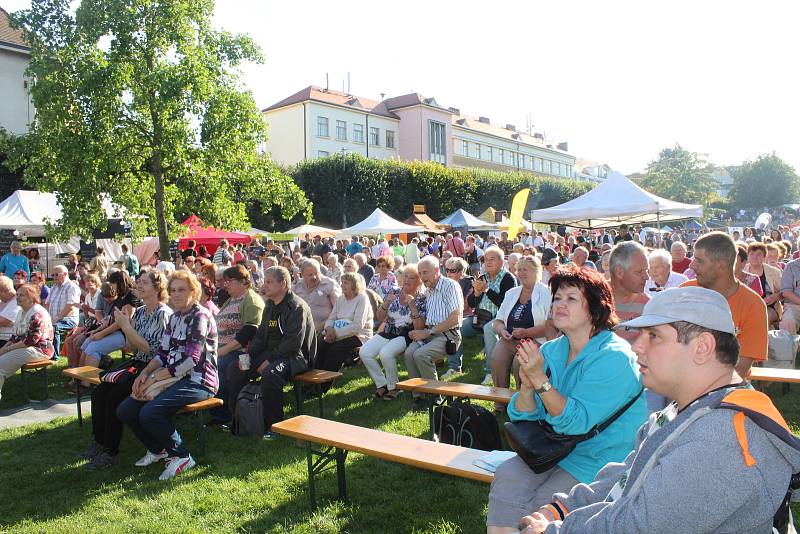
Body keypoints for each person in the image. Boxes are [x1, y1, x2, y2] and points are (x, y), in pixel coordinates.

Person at [517, 287, 800, 534]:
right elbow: (630, 474)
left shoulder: (719, 439)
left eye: (654, 335)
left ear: (702, 348)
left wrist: (555, 530)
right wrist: (561, 509)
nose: (637, 346)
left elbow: (638, 527)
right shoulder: (683, 410)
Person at [487, 268, 646, 533]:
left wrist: (540, 379)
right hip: (552, 450)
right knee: (508, 476)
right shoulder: (552, 349)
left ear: (596, 310)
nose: (559, 304)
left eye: (571, 299)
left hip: (600, 459)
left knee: (543, 505)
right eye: (557, 298)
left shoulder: (614, 357)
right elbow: (524, 417)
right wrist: (527, 387)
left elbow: (575, 423)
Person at [116, 270, 218, 480]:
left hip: (199, 382)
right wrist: (144, 374)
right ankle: (158, 449)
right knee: (126, 409)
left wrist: (157, 377)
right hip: (173, 378)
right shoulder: (175, 317)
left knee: (150, 412)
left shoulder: (200, 316)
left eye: (182, 289)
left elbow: (192, 359)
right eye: (173, 290)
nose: (177, 294)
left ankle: (181, 456)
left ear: (194, 291)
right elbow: (162, 353)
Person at [82, 270, 172, 469]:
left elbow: (152, 349)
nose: (139, 286)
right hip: (138, 362)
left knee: (114, 397)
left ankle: (109, 452)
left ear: (158, 288)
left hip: (155, 368)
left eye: (144, 283)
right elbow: (132, 348)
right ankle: (99, 442)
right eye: (138, 282)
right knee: (99, 392)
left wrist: (126, 327)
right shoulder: (140, 312)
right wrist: (128, 326)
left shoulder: (163, 313)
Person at [225, 266, 317, 440]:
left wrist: (270, 360)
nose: (264, 285)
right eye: (264, 281)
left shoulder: (296, 307)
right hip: (272, 353)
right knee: (234, 369)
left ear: (282, 284)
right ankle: (239, 420)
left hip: (296, 357)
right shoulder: (270, 305)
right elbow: (260, 336)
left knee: (271, 373)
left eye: (269, 282)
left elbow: (293, 343)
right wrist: (248, 356)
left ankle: (275, 426)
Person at [681, 231, 768, 377]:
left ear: (721, 265)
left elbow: (740, 368)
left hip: (724, 389)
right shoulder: (685, 292)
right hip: (679, 380)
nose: (691, 265)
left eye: (699, 260)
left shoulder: (753, 305)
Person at [489, 256, 552, 412]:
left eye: (526, 269)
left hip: (535, 340)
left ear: (537, 271)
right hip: (510, 339)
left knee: (520, 363)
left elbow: (551, 325)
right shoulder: (512, 293)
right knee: (497, 357)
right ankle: (500, 402)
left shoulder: (547, 293)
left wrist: (526, 332)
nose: (522, 273)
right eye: (519, 269)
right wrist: (502, 331)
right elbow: (497, 321)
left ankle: (523, 402)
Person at [207, 265, 265, 426]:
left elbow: (249, 332)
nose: (226, 285)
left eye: (229, 281)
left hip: (240, 351)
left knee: (216, 368)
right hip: (223, 349)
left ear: (243, 281)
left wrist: (222, 351)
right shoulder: (231, 300)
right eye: (225, 281)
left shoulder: (251, 300)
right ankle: (214, 408)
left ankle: (223, 414)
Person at [405, 256, 463, 411]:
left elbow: (455, 318)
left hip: (449, 335)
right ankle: (419, 396)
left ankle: (436, 396)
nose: (422, 277)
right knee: (409, 353)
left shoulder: (450, 286)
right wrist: (418, 329)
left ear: (437, 271)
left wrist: (427, 332)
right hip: (431, 333)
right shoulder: (428, 289)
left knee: (421, 355)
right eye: (420, 273)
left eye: (426, 272)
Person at [361, 265, 426, 400]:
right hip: (388, 330)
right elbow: (379, 316)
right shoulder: (394, 291)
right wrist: (386, 303)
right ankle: (382, 384)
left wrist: (413, 306)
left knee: (386, 353)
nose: (407, 280)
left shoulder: (421, 299)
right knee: (364, 352)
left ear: (419, 281)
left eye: (412, 277)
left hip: (406, 334)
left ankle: (394, 387)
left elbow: (419, 327)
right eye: (405, 276)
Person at [463, 246, 517, 386]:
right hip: (479, 317)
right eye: (486, 260)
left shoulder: (508, 278)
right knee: (459, 326)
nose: (488, 262)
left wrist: (486, 289)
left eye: (492, 259)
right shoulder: (482, 277)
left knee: (489, 328)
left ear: (501, 262)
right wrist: (476, 293)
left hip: (500, 319)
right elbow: (470, 304)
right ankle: (454, 366)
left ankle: (490, 372)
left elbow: (504, 303)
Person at [0, 284, 54, 400]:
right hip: (24, 347)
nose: (18, 297)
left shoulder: (38, 313)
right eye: (17, 295)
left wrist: (6, 350)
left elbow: (30, 341)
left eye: (22, 295)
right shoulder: (21, 311)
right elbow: (14, 336)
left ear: (31, 297)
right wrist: (3, 349)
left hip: (39, 350)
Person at [79, 270, 143, 369]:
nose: (112, 287)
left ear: (119, 283)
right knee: (87, 343)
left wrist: (101, 334)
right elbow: (111, 318)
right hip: (117, 331)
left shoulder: (132, 295)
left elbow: (122, 322)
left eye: (113, 284)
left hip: (127, 334)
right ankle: (80, 379)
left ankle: (86, 382)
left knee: (93, 348)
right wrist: (96, 331)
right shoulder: (122, 295)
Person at [316, 272, 373, 376]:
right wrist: (329, 329)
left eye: (345, 283)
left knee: (335, 349)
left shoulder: (362, 299)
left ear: (355, 284)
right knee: (321, 343)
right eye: (341, 282)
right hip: (337, 333)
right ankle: (315, 377)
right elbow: (331, 318)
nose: (342, 285)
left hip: (359, 335)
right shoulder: (341, 299)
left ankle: (325, 381)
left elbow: (358, 326)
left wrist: (335, 334)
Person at [608, 242, 650, 345]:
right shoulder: (591, 300)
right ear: (619, 272)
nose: (646, 277)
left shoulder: (649, 306)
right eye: (639, 272)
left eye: (646, 271)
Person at [441, 257, 474, 379]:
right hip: (449, 316)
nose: (448, 273)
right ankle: (435, 359)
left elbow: (465, 307)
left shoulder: (469, 283)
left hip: (467, 317)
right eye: (447, 270)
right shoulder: (446, 284)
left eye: (452, 270)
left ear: (462, 271)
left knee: (452, 328)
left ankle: (454, 367)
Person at [292, 258, 341, 332]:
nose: (314, 277)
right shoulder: (297, 286)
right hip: (300, 330)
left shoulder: (329, 284)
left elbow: (338, 309)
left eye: (316, 273)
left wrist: (325, 325)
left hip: (324, 330)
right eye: (310, 275)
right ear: (302, 274)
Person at [47, 265, 82, 357]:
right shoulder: (54, 287)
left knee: (54, 327)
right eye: (52, 275)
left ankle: (54, 356)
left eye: (56, 275)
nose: (54, 277)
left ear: (65, 274)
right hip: (54, 318)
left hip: (69, 319)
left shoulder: (72, 287)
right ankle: (44, 352)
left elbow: (70, 306)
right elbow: (47, 303)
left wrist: (57, 319)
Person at [746, 242, 783, 326]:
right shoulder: (742, 271)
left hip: (770, 307)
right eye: (751, 254)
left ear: (764, 257)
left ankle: (762, 339)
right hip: (747, 308)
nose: (755, 257)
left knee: (763, 318)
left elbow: (784, 291)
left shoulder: (774, 272)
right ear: (747, 256)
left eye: (759, 254)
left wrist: (775, 296)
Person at [0, 276, 19, 348]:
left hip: (7, 341)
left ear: (5, 291)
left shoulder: (17, 302)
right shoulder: (4, 301)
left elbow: (2, 321)